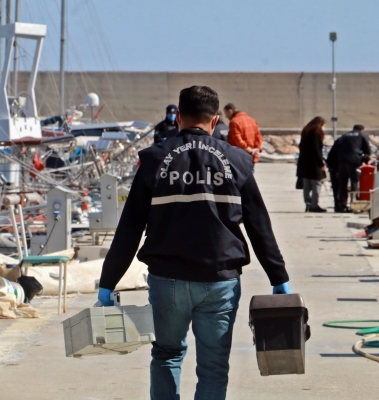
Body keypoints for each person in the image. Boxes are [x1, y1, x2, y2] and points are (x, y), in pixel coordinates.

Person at [97, 86, 290, 400]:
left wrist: (108, 283)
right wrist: (278, 276)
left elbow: (129, 228)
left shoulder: (154, 159)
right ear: (215, 121)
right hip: (220, 281)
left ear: (178, 118)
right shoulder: (238, 160)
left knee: (167, 354)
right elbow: (259, 225)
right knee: (213, 367)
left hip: (167, 280)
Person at [336, 125, 371, 211]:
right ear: (362, 129)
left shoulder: (345, 135)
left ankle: (342, 205)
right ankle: (354, 204)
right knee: (354, 182)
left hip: (341, 161)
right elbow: (368, 149)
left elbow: (336, 146)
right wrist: (366, 159)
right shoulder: (362, 135)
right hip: (354, 162)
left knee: (342, 184)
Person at [296, 117, 327, 212]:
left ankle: (308, 203)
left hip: (304, 163)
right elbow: (316, 150)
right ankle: (314, 205)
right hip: (314, 164)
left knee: (307, 185)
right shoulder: (316, 134)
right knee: (316, 184)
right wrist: (321, 163)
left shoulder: (305, 132)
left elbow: (301, 147)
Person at [326, 136, 344, 212]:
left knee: (336, 189)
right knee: (341, 188)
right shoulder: (344, 149)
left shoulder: (335, 147)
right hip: (338, 170)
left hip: (333, 170)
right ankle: (341, 205)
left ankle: (337, 206)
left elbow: (329, 159)